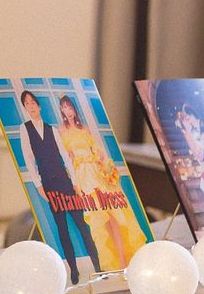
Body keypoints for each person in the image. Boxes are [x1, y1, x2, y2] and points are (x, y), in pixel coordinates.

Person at [19, 91, 101, 284]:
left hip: (65, 182)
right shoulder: (25, 129)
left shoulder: (52, 130)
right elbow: (29, 159)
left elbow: (65, 156)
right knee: (62, 228)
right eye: (27, 103)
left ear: (39, 106)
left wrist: (75, 183)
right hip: (49, 185)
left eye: (33, 102)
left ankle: (98, 267)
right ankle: (73, 271)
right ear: (25, 108)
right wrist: (39, 185)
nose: (31, 106)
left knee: (82, 225)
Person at [58, 95, 146, 269]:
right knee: (100, 221)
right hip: (83, 176)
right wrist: (75, 181)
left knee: (114, 216)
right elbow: (67, 158)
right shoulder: (61, 131)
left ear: (74, 109)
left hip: (96, 172)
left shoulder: (84, 129)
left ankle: (124, 260)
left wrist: (103, 163)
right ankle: (114, 263)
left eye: (70, 107)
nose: (68, 111)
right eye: (65, 108)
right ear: (62, 110)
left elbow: (98, 151)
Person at [175, 103, 204, 230]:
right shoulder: (190, 133)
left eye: (188, 117)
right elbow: (198, 155)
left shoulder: (202, 131)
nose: (187, 119)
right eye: (185, 118)